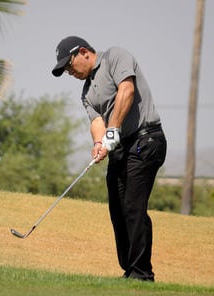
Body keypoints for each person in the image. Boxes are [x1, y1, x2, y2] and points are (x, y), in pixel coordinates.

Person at [51, 36, 167, 281]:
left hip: (145, 140)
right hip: (120, 148)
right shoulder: (86, 92)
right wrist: (98, 143)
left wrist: (113, 130)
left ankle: (142, 274)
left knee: (133, 207)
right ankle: (130, 270)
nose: (69, 72)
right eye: (65, 70)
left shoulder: (115, 56)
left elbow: (127, 90)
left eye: (69, 65)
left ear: (83, 52)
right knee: (118, 209)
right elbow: (96, 122)